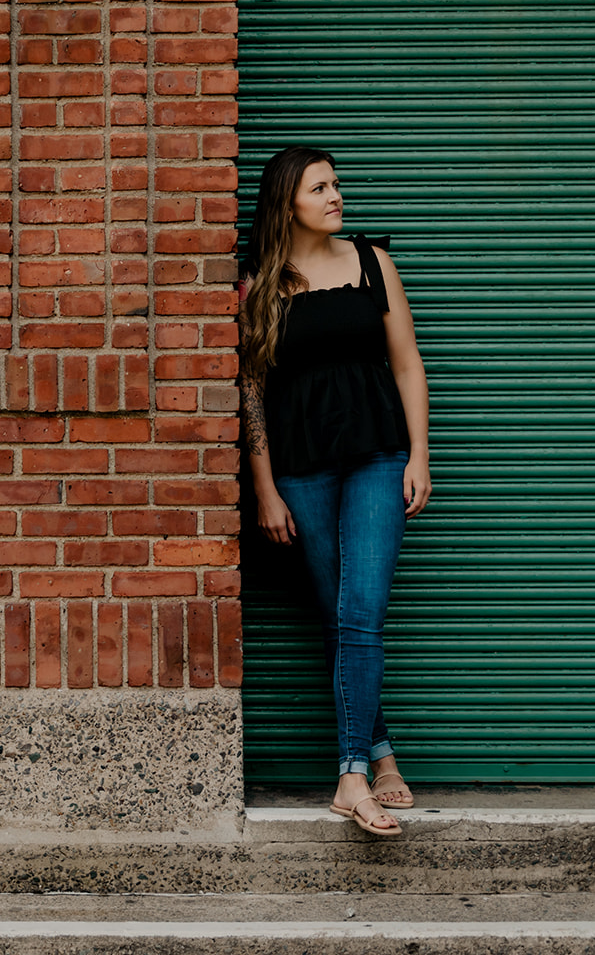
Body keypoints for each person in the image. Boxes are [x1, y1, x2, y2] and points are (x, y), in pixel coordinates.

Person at [240, 146, 430, 839]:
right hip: (301, 470)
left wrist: (419, 456)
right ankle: (379, 754)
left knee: (360, 611)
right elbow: (251, 390)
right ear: (285, 202)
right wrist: (263, 487)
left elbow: (407, 365)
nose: (334, 196)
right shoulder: (258, 281)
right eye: (318, 187)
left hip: (378, 458)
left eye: (335, 185)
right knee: (338, 616)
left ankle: (350, 775)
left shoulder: (371, 263)